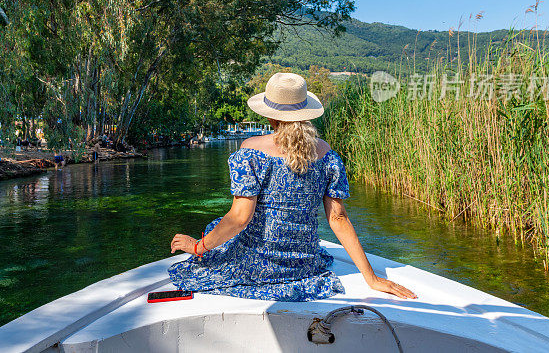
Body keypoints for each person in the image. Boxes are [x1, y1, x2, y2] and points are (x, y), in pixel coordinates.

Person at [169, 72, 417, 302]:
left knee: (216, 231)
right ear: (306, 112)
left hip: (257, 264)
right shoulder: (326, 154)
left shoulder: (251, 151)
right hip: (304, 264)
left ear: (269, 115)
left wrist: (198, 247)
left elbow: (240, 218)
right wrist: (371, 279)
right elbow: (338, 219)